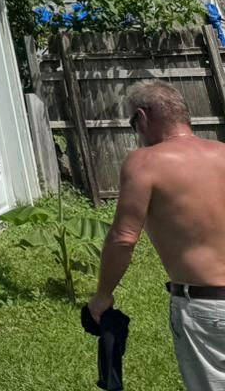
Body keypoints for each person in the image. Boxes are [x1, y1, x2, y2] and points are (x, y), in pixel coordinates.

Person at [89, 79, 225, 390]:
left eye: (133, 124)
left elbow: (123, 238)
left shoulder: (145, 162)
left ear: (142, 116)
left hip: (206, 308)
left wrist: (102, 296)